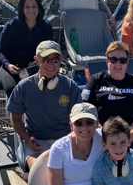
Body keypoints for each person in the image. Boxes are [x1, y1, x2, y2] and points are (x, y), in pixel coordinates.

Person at [8, 40, 81, 170]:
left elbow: (77, 118)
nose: (51, 64)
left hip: (65, 140)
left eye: (56, 60)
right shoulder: (23, 87)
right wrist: (27, 139)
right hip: (36, 142)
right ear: (37, 60)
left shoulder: (70, 86)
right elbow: (15, 117)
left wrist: (72, 140)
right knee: (41, 172)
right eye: (46, 60)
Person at [0, 0, 53, 97]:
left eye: (34, 6)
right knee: (13, 90)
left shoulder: (46, 27)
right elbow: (1, 52)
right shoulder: (11, 26)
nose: (31, 10)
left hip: (35, 67)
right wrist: (7, 65)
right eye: (27, 6)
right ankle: (15, 112)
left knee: (45, 88)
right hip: (11, 68)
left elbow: (49, 52)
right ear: (22, 9)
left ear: (39, 8)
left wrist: (39, 63)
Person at [82, 41, 133, 127]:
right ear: (107, 61)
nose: (118, 63)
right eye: (113, 60)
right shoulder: (96, 80)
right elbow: (86, 107)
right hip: (102, 132)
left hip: (131, 133)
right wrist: (100, 129)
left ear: (127, 62)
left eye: (122, 60)